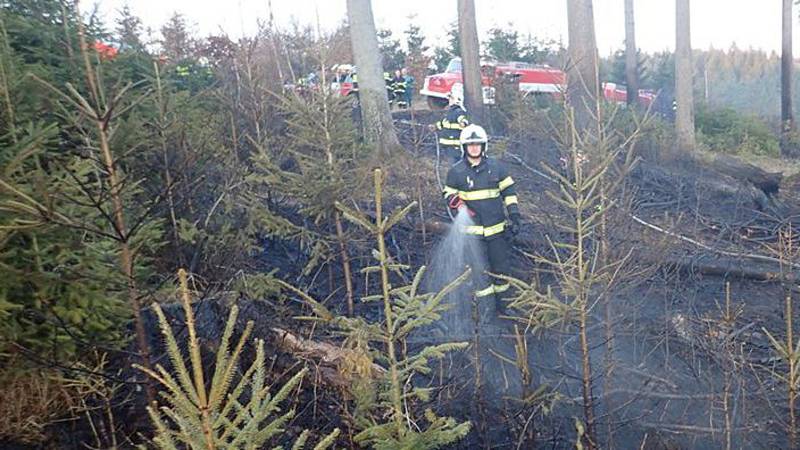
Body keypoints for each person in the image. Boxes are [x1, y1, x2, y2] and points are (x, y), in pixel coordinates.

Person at [442, 124, 521, 315]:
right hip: (471, 235)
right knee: (478, 272)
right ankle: (485, 311)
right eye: (471, 145)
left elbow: (509, 192)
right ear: (464, 147)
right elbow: (448, 193)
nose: (474, 148)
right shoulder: (456, 171)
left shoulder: (497, 168)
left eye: (478, 144)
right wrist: (458, 204)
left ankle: (505, 307)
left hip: (496, 233)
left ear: (483, 146)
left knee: (501, 269)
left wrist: (515, 215)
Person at [431, 85, 469, 162]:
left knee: (457, 167)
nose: (449, 100)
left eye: (451, 98)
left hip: (455, 148)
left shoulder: (458, 112)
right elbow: (445, 123)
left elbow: (463, 120)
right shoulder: (450, 112)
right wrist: (436, 126)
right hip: (449, 148)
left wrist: (463, 123)